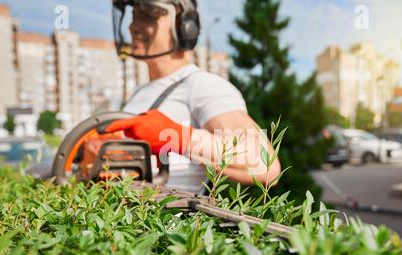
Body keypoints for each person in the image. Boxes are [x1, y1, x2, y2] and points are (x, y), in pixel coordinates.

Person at [105, 0, 281, 194]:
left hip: (168, 220)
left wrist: (176, 137)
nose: (133, 26)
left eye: (148, 15)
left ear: (185, 25)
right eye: (133, 15)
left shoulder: (202, 85)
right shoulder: (140, 92)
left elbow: (265, 164)